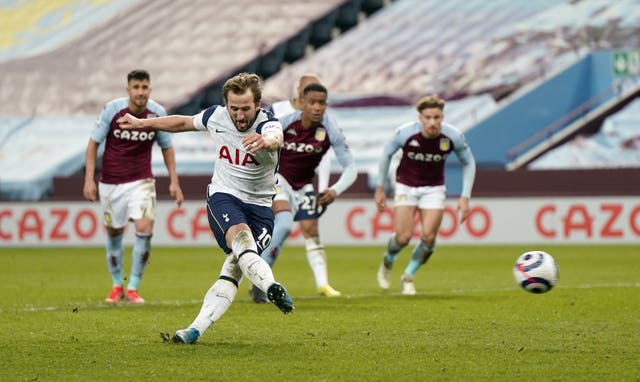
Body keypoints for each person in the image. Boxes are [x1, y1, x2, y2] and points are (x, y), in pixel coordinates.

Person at [117, 72, 294, 344]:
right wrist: (144, 123)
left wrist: (265, 141)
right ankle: (272, 287)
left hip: (260, 208)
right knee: (242, 241)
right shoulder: (217, 116)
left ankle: (194, 330)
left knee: (236, 265)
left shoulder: (268, 124)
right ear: (226, 104)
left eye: (245, 108)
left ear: (257, 105)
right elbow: (182, 122)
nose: (239, 115)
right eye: (234, 108)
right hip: (225, 196)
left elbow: (276, 139)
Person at [83, 69, 184, 305]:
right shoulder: (112, 110)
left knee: (145, 228)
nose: (140, 92)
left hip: (142, 180)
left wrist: (174, 182)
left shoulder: (156, 113)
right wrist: (89, 179)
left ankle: (134, 287)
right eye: (136, 87)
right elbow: (93, 143)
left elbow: (167, 147)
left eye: (144, 87)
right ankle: (117, 284)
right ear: (128, 90)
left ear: (150, 89)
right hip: (111, 182)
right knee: (115, 233)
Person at [250, 82, 357, 303]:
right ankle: (260, 280)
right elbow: (260, 146)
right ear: (302, 103)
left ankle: (323, 284)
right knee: (286, 223)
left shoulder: (330, 128)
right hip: (277, 178)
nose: (317, 107)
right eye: (312, 102)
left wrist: (335, 190)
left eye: (322, 103)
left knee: (311, 229)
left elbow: (351, 168)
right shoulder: (286, 123)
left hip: (304, 185)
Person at [374, 94, 476, 295]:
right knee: (403, 238)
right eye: (428, 117)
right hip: (405, 185)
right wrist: (380, 187)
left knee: (429, 238)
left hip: (434, 188)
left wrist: (465, 197)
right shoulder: (405, 133)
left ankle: (408, 276)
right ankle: (388, 259)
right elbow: (386, 154)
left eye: (436, 117)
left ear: (442, 117)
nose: (432, 122)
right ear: (420, 117)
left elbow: (469, 162)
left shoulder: (452, 136)